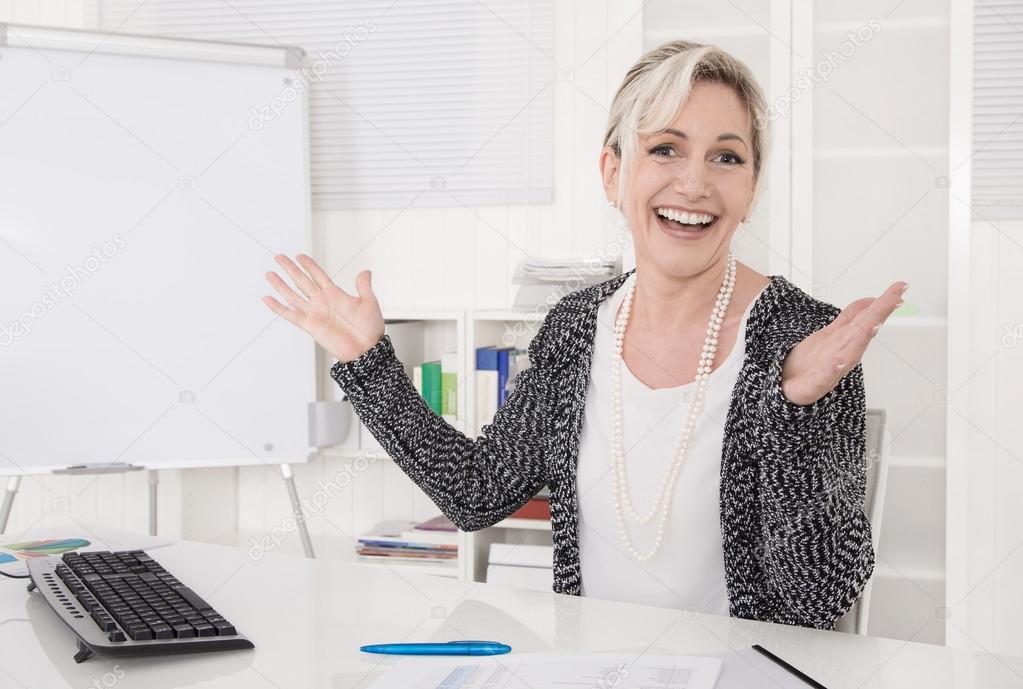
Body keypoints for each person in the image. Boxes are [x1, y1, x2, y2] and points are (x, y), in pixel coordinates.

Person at [261, 40, 906, 631]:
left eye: (726, 157)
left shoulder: (806, 337)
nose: (694, 182)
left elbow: (818, 595)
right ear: (611, 172)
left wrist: (790, 413)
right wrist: (368, 363)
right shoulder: (574, 328)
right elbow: (477, 492)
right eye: (665, 148)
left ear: (751, 187)